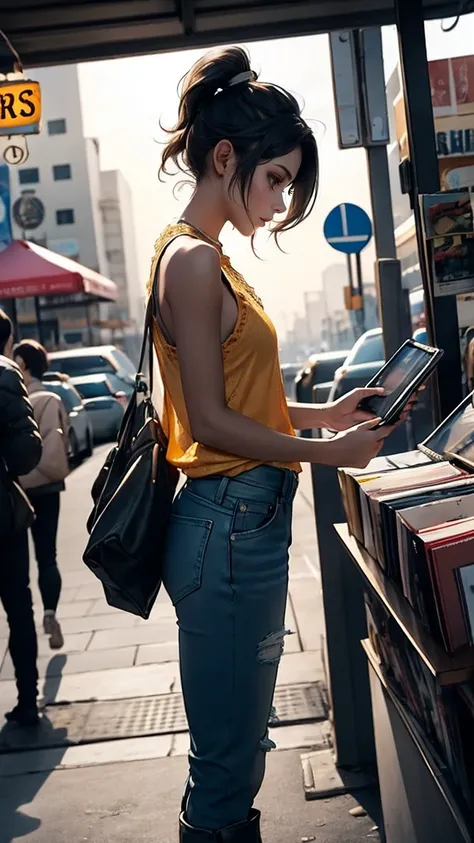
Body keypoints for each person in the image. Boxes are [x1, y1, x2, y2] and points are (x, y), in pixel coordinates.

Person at [150, 47, 394, 842]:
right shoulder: (190, 260)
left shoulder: (210, 258)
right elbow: (209, 421)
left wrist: (324, 414)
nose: (283, 201)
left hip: (241, 527)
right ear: (227, 158)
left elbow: (241, 400)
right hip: (224, 527)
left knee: (241, 753)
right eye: (277, 179)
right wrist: (331, 455)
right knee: (226, 766)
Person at [0, 311, 42, 726]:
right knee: (18, 607)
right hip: (2, 517)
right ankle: (28, 700)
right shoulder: (6, 374)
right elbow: (26, 456)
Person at [14, 340, 70, 651]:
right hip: (48, 487)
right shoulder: (51, 398)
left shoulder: (11, 396)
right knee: (47, 555)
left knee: (19, 561)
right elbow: (68, 438)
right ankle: (51, 613)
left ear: (22, 363)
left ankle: (23, 621)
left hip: (17, 489)